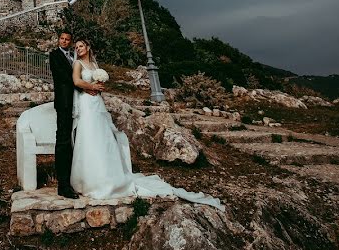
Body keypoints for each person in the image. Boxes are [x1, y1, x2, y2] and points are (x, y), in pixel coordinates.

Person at [69, 39, 224, 210]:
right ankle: (88, 179)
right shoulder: (77, 63)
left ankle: (105, 176)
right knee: (89, 137)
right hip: (87, 103)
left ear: (88, 47)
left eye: (81, 46)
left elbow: (97, 83)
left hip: (97, 102)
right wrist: (91, 86)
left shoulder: (93, 63)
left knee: (101, 138)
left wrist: (99, 87)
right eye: (76, 47)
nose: (78, 49)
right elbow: (76, 81)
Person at [48, 32, 104, 199]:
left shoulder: (75, 57)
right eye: (62, 39)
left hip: (81, 104)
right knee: (63, 141)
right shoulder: (54, 56)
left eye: (67, 40)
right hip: (65, 104)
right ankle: (63, 185)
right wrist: (87, 87)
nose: (64, 41)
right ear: (58, 40)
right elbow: (67, 78)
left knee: (82, 142)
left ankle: (84, 179)